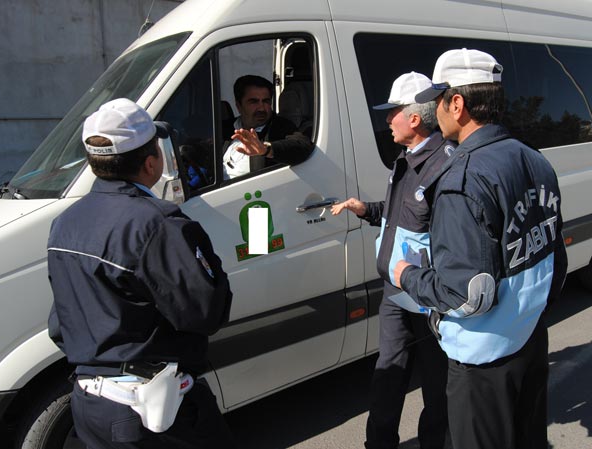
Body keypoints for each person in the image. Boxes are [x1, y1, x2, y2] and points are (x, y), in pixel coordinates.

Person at [393, 49, 568, 449]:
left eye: (438, 100)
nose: (435, 110)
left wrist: (407, 274)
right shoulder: (534, 159)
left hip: (483, 358)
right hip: (531, 339)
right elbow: (554, 257)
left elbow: (463, 293)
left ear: (457, 104)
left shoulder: (464, 178)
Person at [47, 98, 234, 448]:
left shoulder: (65, 223)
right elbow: (207, 312)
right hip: (153, 412)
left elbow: (61, 324)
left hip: (91, 404)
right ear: (151, 163)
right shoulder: (159, 224)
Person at [332, 72, 454, 449]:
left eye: (393, 112)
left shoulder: (445, 165)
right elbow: (402, 214)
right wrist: (367, 210)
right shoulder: (406, 158)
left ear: (414, 119)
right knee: (387, 376)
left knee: (437, 387)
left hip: (429, 298)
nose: (387, 120)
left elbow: (453, 236)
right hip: (395, 293)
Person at [222, 74, 314, 179]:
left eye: (266, 101)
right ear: (239, 106)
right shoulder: (225, 128)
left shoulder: (279, 126)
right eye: (254, 102)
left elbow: (302, 146)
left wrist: (266, 149)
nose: (261, 108)